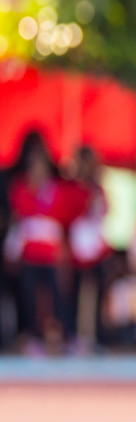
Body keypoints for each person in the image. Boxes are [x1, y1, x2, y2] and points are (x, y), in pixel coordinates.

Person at [4, 134, 81, 355]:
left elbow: (63, 219)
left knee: (58, 296)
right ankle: (31, 335)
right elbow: (20, 219)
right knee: (29, 296)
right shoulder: (21, 189)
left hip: (50, 254)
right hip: (30, 253)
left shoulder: (55, 191)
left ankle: (65, 335)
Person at [65, 146, 114, 353]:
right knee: (75, 292)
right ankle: (74, 335)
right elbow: (70, 212)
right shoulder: (73, 187)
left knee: (99, 291)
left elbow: (105, 211)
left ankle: (97, 335)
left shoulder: (97, 187)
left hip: (95, 246)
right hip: (78, 245)